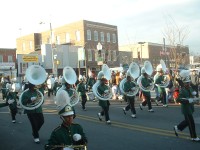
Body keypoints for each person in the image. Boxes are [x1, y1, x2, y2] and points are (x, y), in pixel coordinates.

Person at [173, 70, 200, 142]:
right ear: (184, 83)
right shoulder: (182, 90)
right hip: (186, 109)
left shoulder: (190, 88)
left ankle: (177, 128)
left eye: (189, 82)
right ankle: (193, 137)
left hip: (190, 107)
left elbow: (191, 94)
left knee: (188, 121)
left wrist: (194, 96)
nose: (188, 84)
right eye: (187, 83)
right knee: (191, 123)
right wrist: (187, 100)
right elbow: (178, 99)